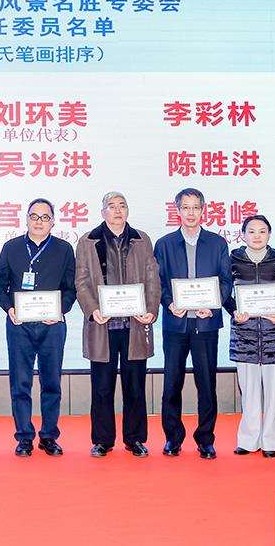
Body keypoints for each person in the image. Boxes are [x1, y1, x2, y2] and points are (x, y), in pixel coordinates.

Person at [75, 191, 160, 458]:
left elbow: (153, 278)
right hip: (103, 325)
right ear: (103, 212)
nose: (117, 210)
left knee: (135, 386)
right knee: (102, 387)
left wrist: (151, 309)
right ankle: (102, 440)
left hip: (135, 325)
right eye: (111, 206)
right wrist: (93, 309)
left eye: (122, 205)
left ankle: (135, 439)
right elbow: (81, 282)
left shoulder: (142, 239)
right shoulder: (88, 241)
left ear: (128, 210)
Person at [153, 187, 231, 459]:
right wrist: (168, 303)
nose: (190, 212)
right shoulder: (164, 244)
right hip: (175, 325)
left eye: (196, 207)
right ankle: (173, 438)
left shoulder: (217, 243)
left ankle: (205, 439)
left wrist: (214, 304)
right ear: (177, 210)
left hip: (206, 325)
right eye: (185, 207)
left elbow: (226, 280)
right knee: (171, 383)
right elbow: (158, 282)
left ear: (203, 210)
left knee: (206, 384)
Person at [0, 198, 76, 457]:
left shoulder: (64, 249)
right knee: (20, 383)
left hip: (53, 326)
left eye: (45, 217)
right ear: (26, 219)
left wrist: (61, 309)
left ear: (53, 221)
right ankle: (24, 437)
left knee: (52, 383)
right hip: (19, 326)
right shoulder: (11, 248)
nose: (39, 222)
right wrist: (9, 308)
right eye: (34, 216)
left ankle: (49, 436)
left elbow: (71, 287)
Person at [224, 215, 275, 458]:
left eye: (262, 231)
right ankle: (248, 440)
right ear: (243, 235)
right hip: (244, 334)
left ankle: (272, 441)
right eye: (251, 231)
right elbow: (225, 292)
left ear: (269, 235)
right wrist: (234, 311)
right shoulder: (233, 260)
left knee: (274, 394)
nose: (257, 236)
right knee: (249, 391)